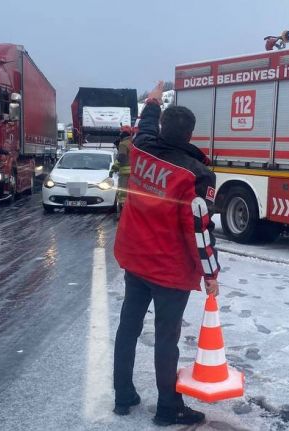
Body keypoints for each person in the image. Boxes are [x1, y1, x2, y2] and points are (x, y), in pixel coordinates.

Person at [113, 81, 220, 426]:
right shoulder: (198, 175)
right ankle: (168, 407)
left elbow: (145, 124)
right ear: (190, 135)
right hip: (169, 271)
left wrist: (154, 99)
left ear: (162, 128)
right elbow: (200, 232)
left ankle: (123, 395)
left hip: (135, 260)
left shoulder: (142, 148)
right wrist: (211, 275)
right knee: (166, 339)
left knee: (128, 328)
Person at [109, 125, 133, 217]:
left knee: (122, 194)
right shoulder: (133, 142)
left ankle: (123, 214)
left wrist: (113, 169)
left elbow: (121, 159)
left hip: (124, 173)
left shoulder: (123, 144)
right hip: (134, 173)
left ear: (122, 133)